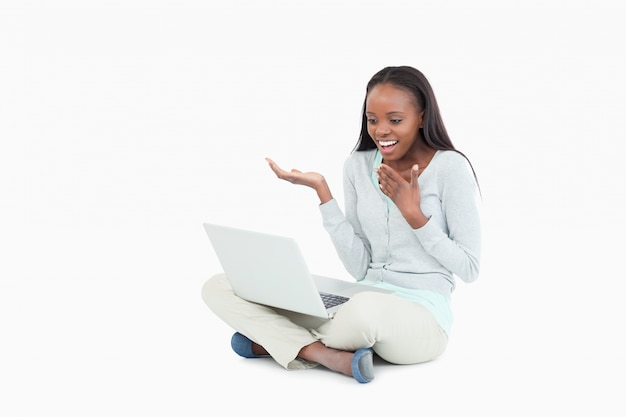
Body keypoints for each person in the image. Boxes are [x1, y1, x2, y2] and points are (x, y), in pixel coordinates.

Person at [201, 66, 481, 383]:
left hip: (421, 315)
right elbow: (359, 268)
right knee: (220, 285)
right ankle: (326, 355)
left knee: (362, 313)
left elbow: (470, 268)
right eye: (372, 120)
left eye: (395, 120)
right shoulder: (357, 166)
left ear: (421, 116)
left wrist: (414, 216)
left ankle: (275, 340)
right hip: (360, 296)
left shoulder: (451, 168)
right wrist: (324, 195)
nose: (381, 131)